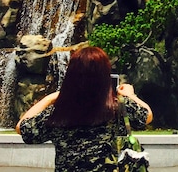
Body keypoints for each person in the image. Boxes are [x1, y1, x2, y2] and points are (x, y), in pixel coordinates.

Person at [16, 46, 153, 172]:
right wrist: (130, 95)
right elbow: (147, 115)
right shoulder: (117, 107)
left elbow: (22, 127)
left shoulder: (59, 112)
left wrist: (50, 98)